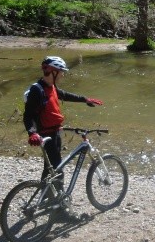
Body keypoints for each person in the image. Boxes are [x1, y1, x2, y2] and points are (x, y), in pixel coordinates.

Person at [23, 56, 103, 190]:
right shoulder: (37, 90)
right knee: (57, 169)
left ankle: (46, 194)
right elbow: (28, 115)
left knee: (51, 168)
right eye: (61, 72)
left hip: (55, 133)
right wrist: (32, 133)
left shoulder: (51, 86)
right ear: (53, 72)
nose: (63, 75)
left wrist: (85, 99)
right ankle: (58, 203)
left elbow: (65, 95)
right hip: (46, 136)